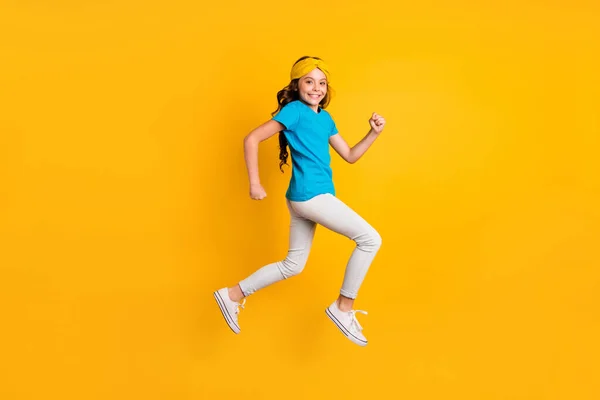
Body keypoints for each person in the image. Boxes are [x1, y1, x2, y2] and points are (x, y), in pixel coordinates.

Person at [213, 56, 385, 346]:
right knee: (370, 239)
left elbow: (351, 156)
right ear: (297, 85)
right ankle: (343, 307)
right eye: (309, 81)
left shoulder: (325, 118)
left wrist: (374, 133)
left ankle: (231, 295)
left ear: (326, 88)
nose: (316, 88)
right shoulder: (294, 111)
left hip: (302, 198)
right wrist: (254, 183)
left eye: (322, 82)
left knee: (293, 265)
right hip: (311, 195)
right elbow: (252, 138)